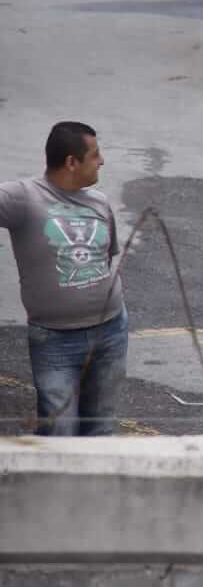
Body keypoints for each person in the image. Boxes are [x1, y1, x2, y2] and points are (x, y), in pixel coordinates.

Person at [0, 122, 126, 435]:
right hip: (55, 340)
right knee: (60, 433)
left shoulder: (99, 202)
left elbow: (106, 258)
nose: (102, 161)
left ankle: (96, 486)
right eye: (95, 154)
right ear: (72, 162)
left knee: (100, 428)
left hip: (110, 331)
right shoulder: (23, 197)